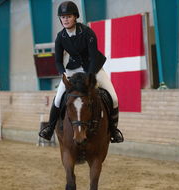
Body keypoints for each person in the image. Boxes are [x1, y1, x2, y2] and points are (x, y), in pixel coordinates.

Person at [38, 1, 124, 143]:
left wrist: (90, 76)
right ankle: (49, 128)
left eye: (68, 16)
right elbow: (58, 60)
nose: (65, 19)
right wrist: (62, 73)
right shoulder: (60, 37)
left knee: (113, 97)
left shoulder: (87, 32)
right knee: (58, 98)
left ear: (75, 17)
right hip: (73, 69)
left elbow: (93, 55)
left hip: (93, 68)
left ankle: (114, 131)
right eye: (62, 17)